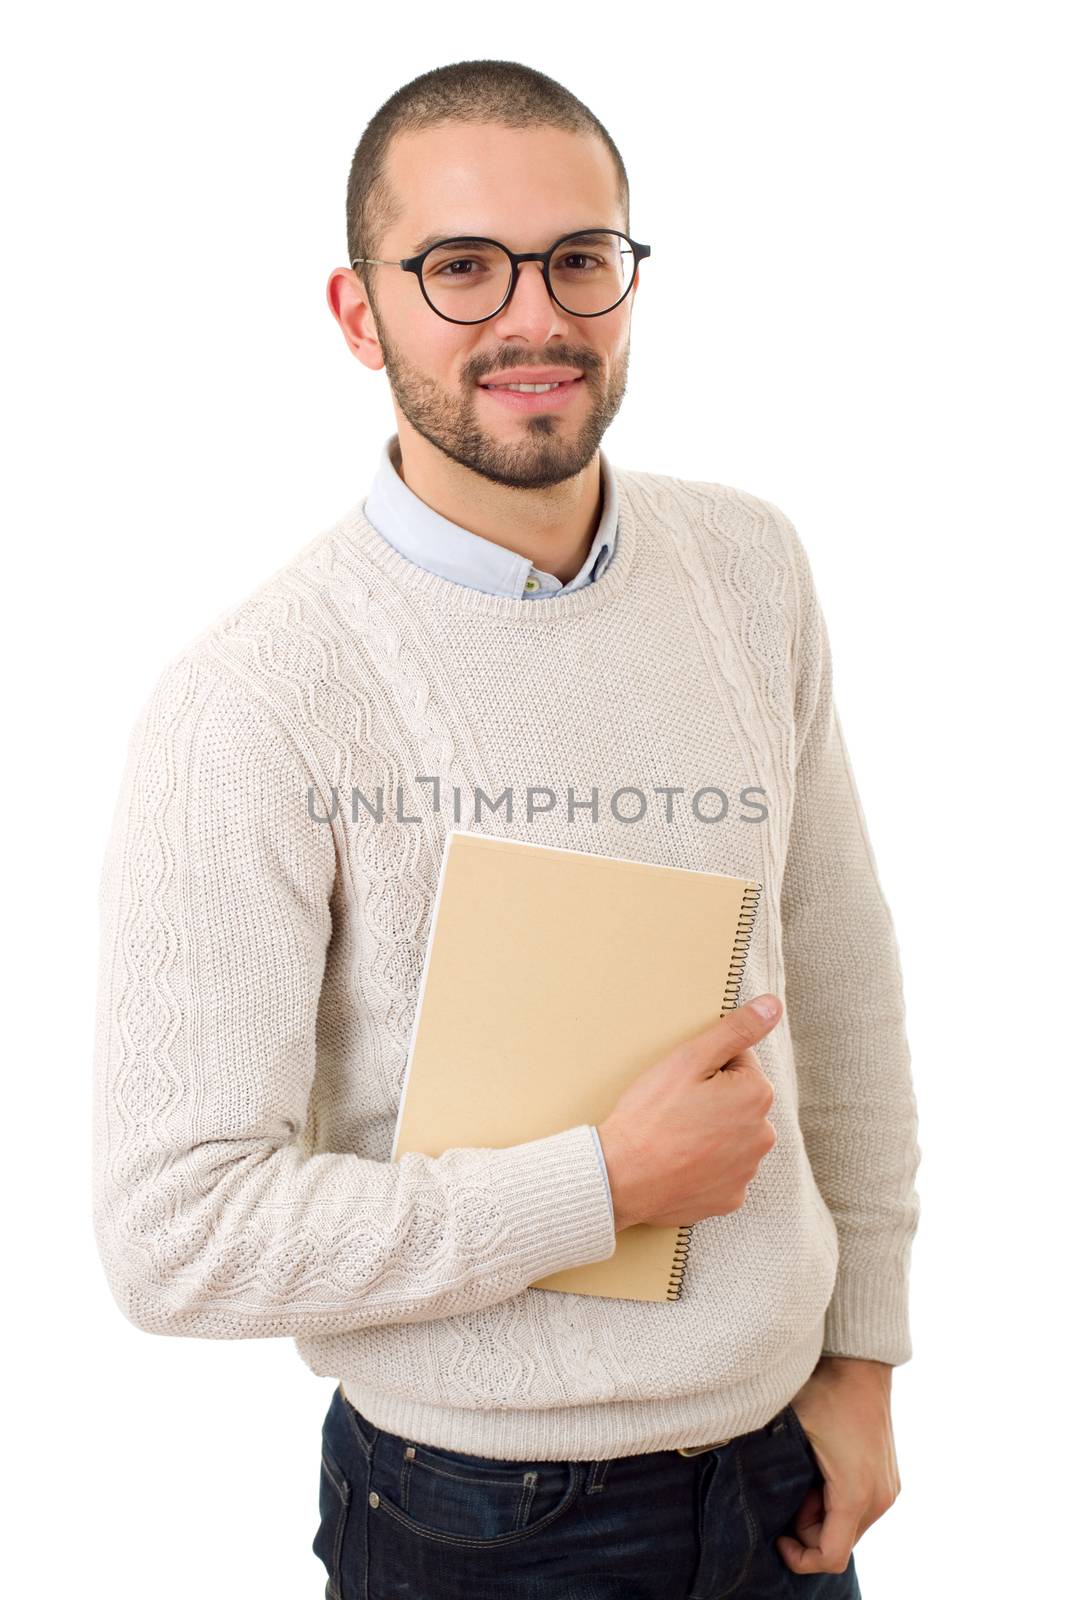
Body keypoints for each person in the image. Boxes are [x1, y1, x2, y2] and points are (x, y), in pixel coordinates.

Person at [91, 57, 921, 1600]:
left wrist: (866, 1349)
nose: (532, 318)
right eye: (460, 269)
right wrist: (600, 1188)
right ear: (360, 314)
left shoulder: (748, 566)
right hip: (476, 1520)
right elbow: (173, 1231)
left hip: (780, 1479)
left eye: (579, 261)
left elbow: (839, 968)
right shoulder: (255, 702)